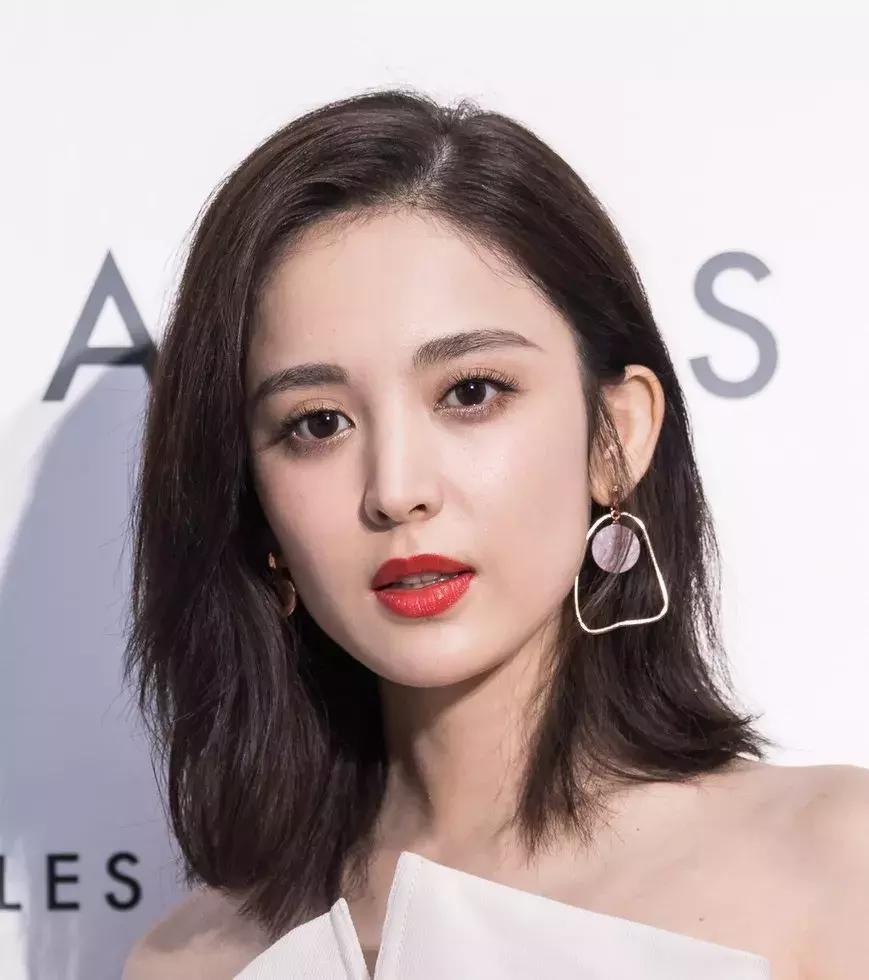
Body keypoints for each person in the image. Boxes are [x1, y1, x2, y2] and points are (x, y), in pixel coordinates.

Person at [121, 88, 869, 979]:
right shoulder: (193, 960)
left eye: (470, 393)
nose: (396, 491)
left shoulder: (835, 867)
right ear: (255, 504)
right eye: (318, 423)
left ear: (615, 435)